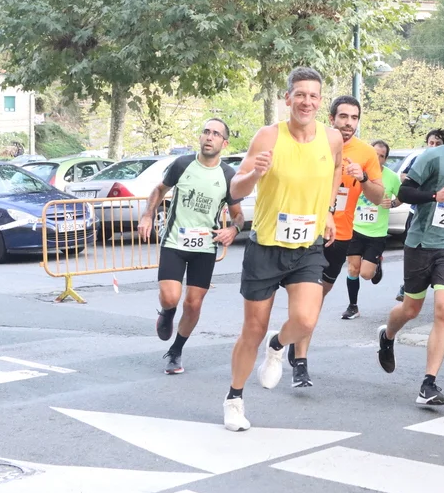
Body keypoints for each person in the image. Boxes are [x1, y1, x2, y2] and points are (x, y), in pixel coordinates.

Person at [222, 67, 342, 431]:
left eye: (313, 95)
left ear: (320, 101)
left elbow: (336, 169)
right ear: (287, 98)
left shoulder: (332, 138)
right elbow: (236, 189)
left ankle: (278, 346)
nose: (306, 101)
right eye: (299, 94)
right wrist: (255, 174)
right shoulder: (268, 136)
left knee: (305, 321)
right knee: (252, 330)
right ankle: (234, 399)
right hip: (266, 247)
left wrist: (327, 210)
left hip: (307, 246)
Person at [376, 104, 444, 406]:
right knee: (410, 309)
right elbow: (404, 193)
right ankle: (388, 335)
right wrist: (434, 196)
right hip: (421, 243)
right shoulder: (433, 157)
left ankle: (428, 384)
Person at [138, 118, 244, 374]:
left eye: (216, 134)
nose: (209, 137)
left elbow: (238, 215)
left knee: (194, 304)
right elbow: (159, 190)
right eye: (206, 131)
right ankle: (167, 312)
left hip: (205, 247)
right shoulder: (182, 164)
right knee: (170, 297)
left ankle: (176, 351)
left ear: (224, 143)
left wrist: (233, 229)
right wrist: (147, 215)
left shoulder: (228, 175)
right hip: (175, 241)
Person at [309, 96, 383, 327]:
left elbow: (378, 197)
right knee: (304, 291)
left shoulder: (366, 152)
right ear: (331, 118)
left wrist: (363, 178)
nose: (349, 122)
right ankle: (296, 342)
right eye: (343, 116)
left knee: (320, 293)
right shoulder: (313, 142)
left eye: (354, 117)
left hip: (340, 235)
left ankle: (298, 336)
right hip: (309, 228)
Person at [341, 140, 401, 318]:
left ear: (385, 159)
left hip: (377, 233)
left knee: (366, 274)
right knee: (353, 269)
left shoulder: (391, 177)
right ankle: (353, 306)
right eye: (374, 154)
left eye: (381, 156)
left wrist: (393, 203)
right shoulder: (356, 171)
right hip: (355, 228)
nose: (377, 158)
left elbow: (403, 196)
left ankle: (377, 263)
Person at [395, 128, 444, 302]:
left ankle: (437, 281)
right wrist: (421, 181)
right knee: (413, 249)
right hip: (417, 212)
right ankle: (407, 284)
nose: (433, 146)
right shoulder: (419, 158)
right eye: (431, 143)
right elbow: (403, 176)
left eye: (438, 143)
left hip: (440, 213)